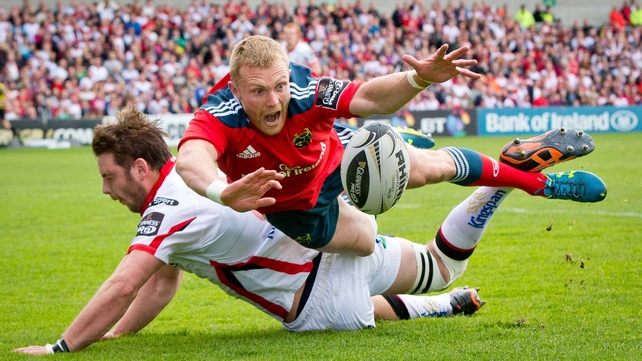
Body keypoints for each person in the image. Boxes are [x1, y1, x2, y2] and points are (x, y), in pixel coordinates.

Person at [14, 109, 607, 355]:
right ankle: (493, 185)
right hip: (328, 241)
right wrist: (118, 335)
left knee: (367, 310)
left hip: (313, 295)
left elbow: (126, 282)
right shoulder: (205, 174)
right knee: (439, 263)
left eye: (109, 176)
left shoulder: (163, 211)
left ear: (140, 167)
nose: (105, 188)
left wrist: (64, 347)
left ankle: (475, 226)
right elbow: (159, 285)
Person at [176, 35, 607, 259]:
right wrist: (221, 192)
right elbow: (192, 158)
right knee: (365, 239)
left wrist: (419, 79)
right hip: (295, 210)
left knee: (426, 169)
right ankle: (395, 147)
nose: (273, 101)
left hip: (334, 160)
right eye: (258, 92)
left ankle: (538, 185)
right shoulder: (220, 113)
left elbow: (367, 98)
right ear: (235, 87)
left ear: (290, 76)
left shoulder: (306, 91)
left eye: (280, 86)